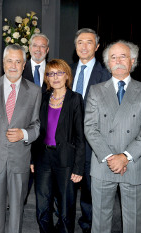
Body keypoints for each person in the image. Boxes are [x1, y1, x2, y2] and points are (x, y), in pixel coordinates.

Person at [84, 40, 141, 233]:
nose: (118, 61)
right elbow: (90, 127)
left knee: (134, 223)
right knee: (100, 223)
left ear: (133, 60)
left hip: (133, 163)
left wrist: (124, 157)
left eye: (123, 56)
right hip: (103, 163)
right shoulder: (96, 91)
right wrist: (110, 158)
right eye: (113, 57)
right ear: (108, 63)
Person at [0, 44, 41, 233]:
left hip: (20, 158)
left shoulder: (34, 91)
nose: (13, 65)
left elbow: (37, 125)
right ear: (3, 63)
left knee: (17, 208)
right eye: (10, 61)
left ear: (24, 65)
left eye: (18, 61)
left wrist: (24, 134)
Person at [33, 59, 85, 233]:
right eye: (51, 73)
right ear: (47, 78)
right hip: (43, 159)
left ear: (67, 75)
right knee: (42, 205)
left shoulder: (75, 99)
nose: (55, 77)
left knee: (65, 208)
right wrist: (33, 159)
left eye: (59, 73)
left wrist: (78, 168)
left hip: (66, 160)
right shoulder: (43, 97)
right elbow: (37, 131)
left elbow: (80, 136)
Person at [70, 28, 111, 233]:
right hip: (65, 140)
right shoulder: (66, 70)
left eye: (89, 42)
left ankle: (88, 225)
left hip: (91, 143)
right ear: (75, 46)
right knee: (63, 186)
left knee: (88, 189)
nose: (84, 46)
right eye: (80, 42)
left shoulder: (106, 75)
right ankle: (64, 222)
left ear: (96, 46)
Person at [22, 33, 50, 205]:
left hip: (48, 128)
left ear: (47, 50)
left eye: (42, 47)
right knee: (23, 168)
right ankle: (18, 200)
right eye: (35, 46)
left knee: (45, 172)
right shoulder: (19, 68)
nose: (38, 50)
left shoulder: (54, 70)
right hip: (24, 126)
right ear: (29, 48)